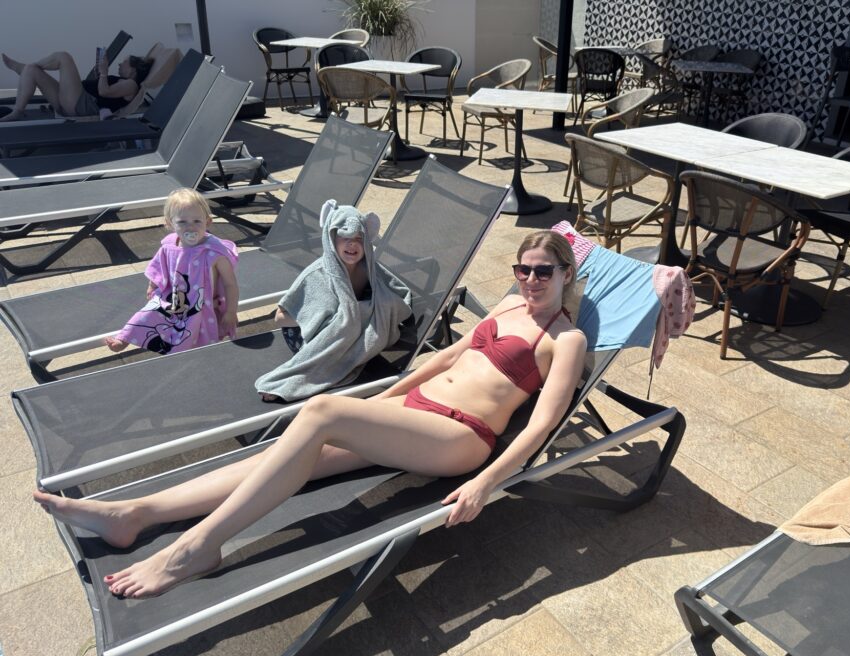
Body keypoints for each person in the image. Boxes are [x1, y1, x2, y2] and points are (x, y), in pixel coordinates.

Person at [35, 230, 588, 598]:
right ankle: (136, 512)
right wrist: (383, 400)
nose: (530, 280)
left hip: (460, 436)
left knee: (321, 411)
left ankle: (195, 548)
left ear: (566, 273)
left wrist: (485, 484)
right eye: (523, 269)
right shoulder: (508, 304)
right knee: (288, 454)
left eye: (543, 271)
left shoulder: (567, 339)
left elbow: (542, 424)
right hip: (415, 411)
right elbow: (446, 358)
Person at [255, 202, 412, 402]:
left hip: (346, 333)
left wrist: (363, 311)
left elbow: (396, 295)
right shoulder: (316, 275)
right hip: (302, 333)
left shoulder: (370, 270)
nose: (352, 244)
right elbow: (279, 318)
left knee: (351, 323)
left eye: (358, 238)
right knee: (341, 328)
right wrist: (320, 315)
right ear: (331, 239)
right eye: (344, 237)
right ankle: (295, 381)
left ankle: (346, 352)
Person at [104, 188, 239, 355]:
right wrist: (153, 285)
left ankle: (185, 353)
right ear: (170, 223)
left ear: (208, 222)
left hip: (199, 304)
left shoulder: (214, 252)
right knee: (148, 312)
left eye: (197, 221)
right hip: (172, 297)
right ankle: (124, 338)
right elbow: (159, 267)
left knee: (191, 330)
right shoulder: (169, 245)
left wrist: (231, 311)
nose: (191, 227)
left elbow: (230, 284)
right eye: (182, 222)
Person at [0, 48, 152, 122]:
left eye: (124, 62)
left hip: (82, 105)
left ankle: (24, 68)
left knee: (64, 57)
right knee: (32, 71)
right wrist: (100, 74)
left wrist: (104, 72)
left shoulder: (131, 85)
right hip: (74, 102)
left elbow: (104, 92)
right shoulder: (124, 81)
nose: (120, 64)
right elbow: (103, 91)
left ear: (133, 70)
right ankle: (18, 111)